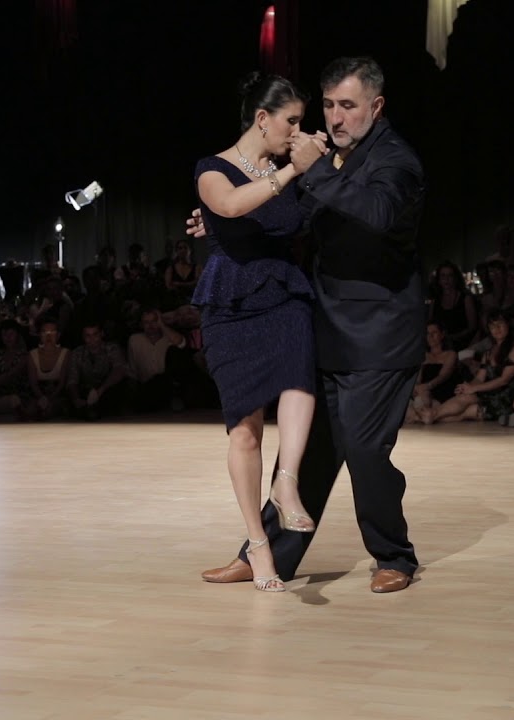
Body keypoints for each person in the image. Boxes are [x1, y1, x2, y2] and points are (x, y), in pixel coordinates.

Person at [192, 56, 427, 593]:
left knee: (364, 450)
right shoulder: (331, 157)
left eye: (348, 106)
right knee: (310, 455)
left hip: (379, 335)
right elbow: (287, 217)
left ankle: (394, 555)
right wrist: (225, 223)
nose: (335, 117)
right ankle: (267, 555)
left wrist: (311, 170)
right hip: (326, 327)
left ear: (376, 106)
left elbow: (377, 214)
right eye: (328, 105)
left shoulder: (396, 160)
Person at [190, 71, 321, 592]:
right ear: (262, 118)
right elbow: (228, 205)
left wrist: (313, 165)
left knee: (299, 374)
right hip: (231, 301)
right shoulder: (212, 168)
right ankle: (258, 546)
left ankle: (286, 484)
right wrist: (291, 171)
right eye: (292, 121)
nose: (297, 131)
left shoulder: (293, 169)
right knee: (245, 431)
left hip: (283, 289)